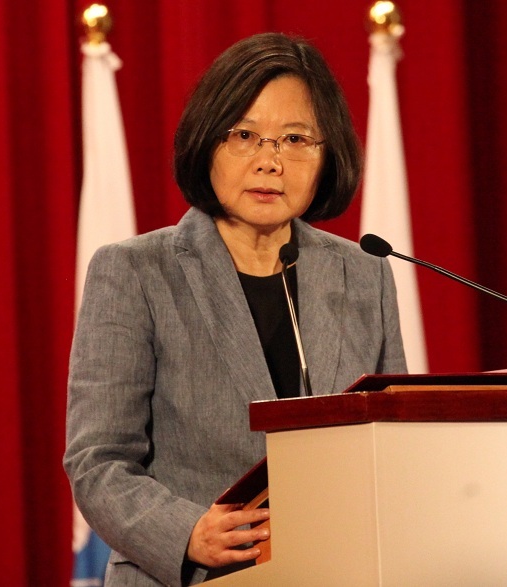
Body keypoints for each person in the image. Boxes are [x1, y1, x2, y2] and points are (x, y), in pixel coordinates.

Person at [64, 32, 407, 587]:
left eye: (295, 139)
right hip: (191, 575)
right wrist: (186, 531)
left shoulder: (364, 273)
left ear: (328, 155)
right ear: (207, 142)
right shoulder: (135, 272)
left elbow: (389, 442)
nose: (270, 162)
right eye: (245, 135)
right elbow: (98, 460)